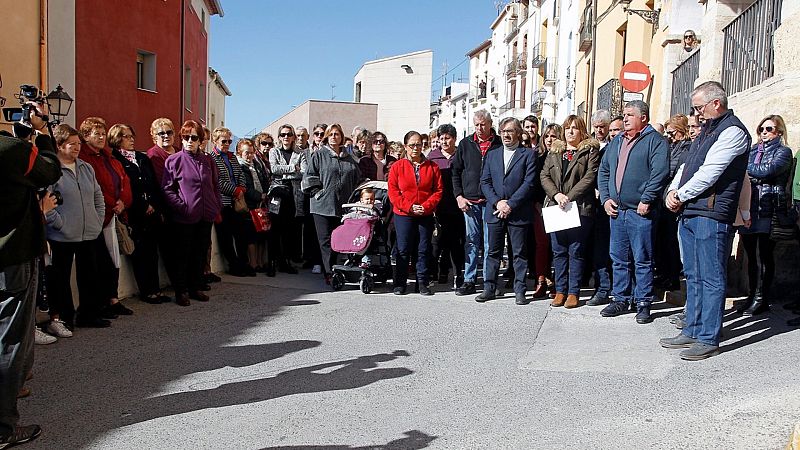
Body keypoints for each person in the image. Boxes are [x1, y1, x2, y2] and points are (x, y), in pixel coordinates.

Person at [661, 81, 751, 360]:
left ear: (716, 103)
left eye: (699, 107)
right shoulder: (706, 131)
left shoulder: (732, 131)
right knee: (693, 274)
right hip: (691, 210)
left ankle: (708, 336)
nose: (696, 113)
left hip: (711, 213)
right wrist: (671, 192)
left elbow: (711, 172)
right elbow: (686, 167)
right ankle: (693, 328)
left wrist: (680, 194)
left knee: (711, 277)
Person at [0, 102, 61, 448]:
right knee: (10, 339)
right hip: (10, 257)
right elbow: (49, 170)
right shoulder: (9, 149)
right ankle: (3, 427)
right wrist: (43, 131)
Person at [597, 101, 669, 324]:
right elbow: (604, 171)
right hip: (617, 211)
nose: (625, 118)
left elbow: (660, 173)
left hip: (640, 212)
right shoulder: (617, 141)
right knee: (618, 258)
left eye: (630, 115)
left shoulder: (655, 141)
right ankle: (620, 298)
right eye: (624, 114)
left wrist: (647, 198)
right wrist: (606, 198)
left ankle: (643, 302)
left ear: (643, 118)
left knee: (642, 258)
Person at [44, 124, 106, 331]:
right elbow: (46, 202)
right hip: (62, 235)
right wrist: (59, 223)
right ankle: (65, 317)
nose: (77, 147)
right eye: (72, 144)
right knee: (60, 278)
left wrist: (97, 219)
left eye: (78, 143)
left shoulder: (86, 167)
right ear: (60, 145)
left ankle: (89, 314)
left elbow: (97, 195)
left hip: (88, 232)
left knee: (90, 275)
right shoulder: (52, 170)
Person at [735, 115, 793, 316]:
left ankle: (761, 298)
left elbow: (767, 171)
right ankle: (752, 295)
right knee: (751, 256)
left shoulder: (783, 152)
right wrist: (752, 172)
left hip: (768, 208)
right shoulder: (753, 150)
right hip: (749, 207)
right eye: (762, 129)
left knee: (763, 255)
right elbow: (746, 173)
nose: (764, 133)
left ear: (779, 132)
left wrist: (748, 170)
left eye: (769, 129)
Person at [540, 116, 600, 309]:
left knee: (576, 251)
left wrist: (569, 196)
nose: (570, 132)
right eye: (567, 128)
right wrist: (556, 195)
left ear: (582, 131)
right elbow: (544, 175)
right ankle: (560, 290)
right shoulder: (555, 151)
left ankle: (573, 292)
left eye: (575, 128)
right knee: (558, 251)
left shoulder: (590, 151)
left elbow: (590, 176)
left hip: (579, 208)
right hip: (556, 207)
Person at [475, 117, 537, 305]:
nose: (506, 135)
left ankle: (520, 290)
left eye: (510, 131)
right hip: (495, 211)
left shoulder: (528, 154)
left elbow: (529, 183)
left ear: (518, 133)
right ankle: (489, 288)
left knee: (519, 253)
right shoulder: (492, 154)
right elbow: (485, 182)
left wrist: (510, 204)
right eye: (503, 131)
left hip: (518, 212)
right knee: (492, 252)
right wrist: (497, 203)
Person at [162, 121, 223, 306]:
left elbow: (215, 185)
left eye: (194, 137)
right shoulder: (174, 160)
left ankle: (196, 287)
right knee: (182, 255)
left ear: (200, 140)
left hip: (205, 215)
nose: (189, 141)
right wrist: (183, 207)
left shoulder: (208, 161)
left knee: (200, 253)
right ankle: (181, 291)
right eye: (186, 137)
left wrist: (216, 206)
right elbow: (167, 189)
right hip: (185, 217)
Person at [78, 117, 134, 318]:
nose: (102, 137)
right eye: (97, 134)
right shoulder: (83, 158)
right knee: (98, 263)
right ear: (86, 136)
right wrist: (112, 204)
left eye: (103, 134)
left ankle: (112, 299)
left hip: (113, 216)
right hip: (96, 218)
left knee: (113, 260)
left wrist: (123, 202)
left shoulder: (108, 157)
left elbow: (124, 181)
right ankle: (100, 303)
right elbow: (96, 188)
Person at [109, 124, 171, 304]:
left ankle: (156, 289)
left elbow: (153, 183)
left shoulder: (141, 158)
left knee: (152, 252)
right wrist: (143, 205)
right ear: (117, 139)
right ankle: (147, 291)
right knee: (141, 253)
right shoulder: (116, 159)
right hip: (135, 213)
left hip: (152, 211)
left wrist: (155, 205)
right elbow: (125, 187)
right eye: (126, 136)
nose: (131, 139)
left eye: (132, 136)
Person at [302, 123, 362, 285]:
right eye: (331, 134)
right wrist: (318, 193)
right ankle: (329, 272)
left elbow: (358, 178)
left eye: (337, 134)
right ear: (327, 137)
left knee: (338, 239)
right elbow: (309, 177)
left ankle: (337, 269)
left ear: (342, 137)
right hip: (322, 205)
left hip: (342, 206)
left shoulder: (349, 158)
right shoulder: (319, 155)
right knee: (325, 241)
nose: (334, 137)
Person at [452, 110, 502, 296]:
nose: (479, 128)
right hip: (470, 202)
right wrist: (459, 196)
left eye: (483, 125)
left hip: (491, 202)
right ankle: (469, 280)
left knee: (490, 244)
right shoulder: (465, 144)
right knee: (471, 242)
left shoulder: (499, 144)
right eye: (476, 125)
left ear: (490, 124)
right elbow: (456, 172)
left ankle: (490, 282)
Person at [388, 131, 442, 296]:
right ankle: (400, 283)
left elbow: (438, 191)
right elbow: (393, 192)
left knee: (423, 249)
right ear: (405, 146)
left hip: (425, 214)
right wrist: (409, 207)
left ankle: (422, 283)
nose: (416, 148)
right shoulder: (397, 167)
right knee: (403, 249)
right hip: (404, 214)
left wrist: (426, 206)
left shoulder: (432, 167)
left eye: (419, 144)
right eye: (412, 145)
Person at [654, 115, 692, 291]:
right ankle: (664, 274)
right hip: (663, 199)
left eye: (672, 132)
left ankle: (673, 277)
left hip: (673, 199)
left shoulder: (686, 149)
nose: (669, 136)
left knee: (671, 242)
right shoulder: (672, 146)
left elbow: (673, 171)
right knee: (663, 241)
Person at [428, 124, 465, 288]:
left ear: (454, 139)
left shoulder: (461, 155)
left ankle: (457, 275)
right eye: (441, 138)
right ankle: (433, 274)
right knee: (437, 243)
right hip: (438, 206)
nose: (444, 141)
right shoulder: (432, 157)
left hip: (457, 205)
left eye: (447, 138)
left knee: (456, 243)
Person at [211, 127, 252, 276]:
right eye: (224, 141)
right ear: (215, 141)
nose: (227, 144)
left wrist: (241, 188)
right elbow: (217, 181)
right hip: (223, 202)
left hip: (237, 201)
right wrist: (234, 190)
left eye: (229, 141)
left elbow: (240, 174)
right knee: (226, 237)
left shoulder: (232, 157)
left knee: (241, 235)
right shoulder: (212, 158)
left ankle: (244, 263)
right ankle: (233, 265)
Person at [146, 118, 181, 285]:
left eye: (169, 132)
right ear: (154, 136)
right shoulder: (153, 155)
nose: (166, 136)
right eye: (161, 133)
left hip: (187, 208)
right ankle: (178, 285)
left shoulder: (180, 151)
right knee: (171, 249)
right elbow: (163, 183)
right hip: (168, 209)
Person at [530, 123, 563, 298]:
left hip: (559, 206)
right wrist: (537, 204)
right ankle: (541, 280)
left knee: (558, 246)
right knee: (542, 245)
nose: (550, 139)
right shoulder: (537, 157)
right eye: (547, 136)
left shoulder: (564, 157)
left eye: (554, 136)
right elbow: (533, 182)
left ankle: (558, 282)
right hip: (540, 207)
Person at [268, 124, 305, 274]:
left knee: (288, 230)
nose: (286, 137)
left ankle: (285, 262)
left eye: (289, 134)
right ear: (279, 137)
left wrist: (285, 172)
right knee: (274, 229)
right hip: (277, 194)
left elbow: (303, 171)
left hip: (293, 194)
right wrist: (293, 168)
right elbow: (273, 169)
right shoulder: (274, 151)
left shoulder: (300, 153)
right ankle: (271, 262)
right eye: (283, 134)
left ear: (293, 137)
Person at [587, 109, 613, 307]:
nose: (599, 131)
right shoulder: (588, 146)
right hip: (591, 203)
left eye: (602, 127)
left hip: (609, 202)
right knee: (596, 249)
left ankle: (608, 287)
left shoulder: (614, 146)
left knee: (609, 248)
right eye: (596, 127)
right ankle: (600, 285)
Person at [236, 139, 270, 274]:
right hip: (249, 205)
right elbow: (246, 188)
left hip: (260, 205)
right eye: (246, 153)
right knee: (251, 237)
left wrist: (265, 194)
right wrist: (260, 196)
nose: (249, 155)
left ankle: (260, 262)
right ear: (240, 153)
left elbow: (264, 180)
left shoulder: (256, 165)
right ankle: (253, 263)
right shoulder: (240, 166)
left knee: (261, 235)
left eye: (251, 153)